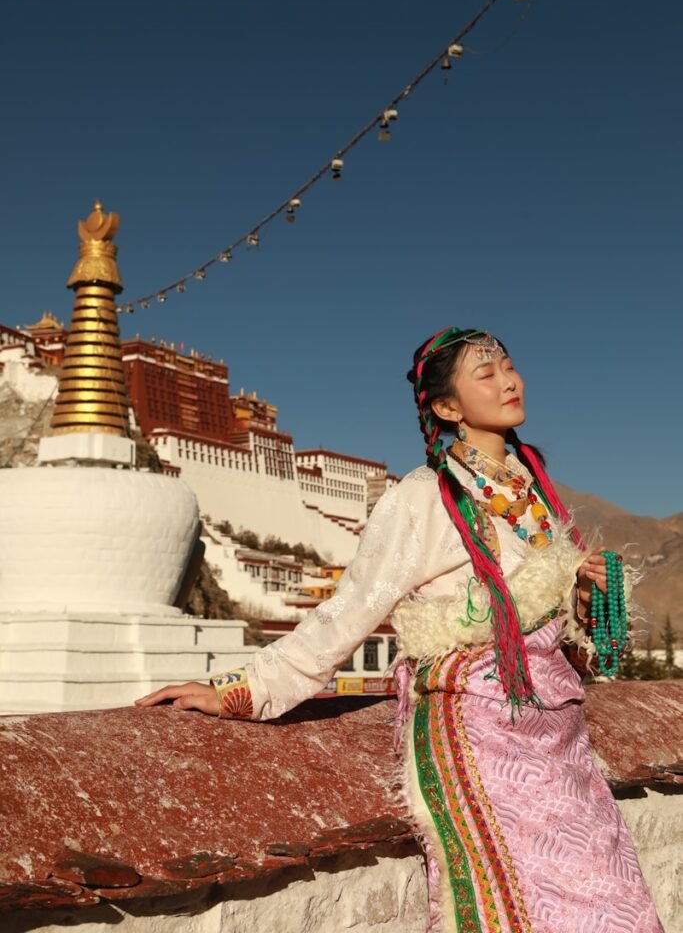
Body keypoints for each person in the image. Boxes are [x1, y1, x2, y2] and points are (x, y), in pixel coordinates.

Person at [136, 326, 663, 933]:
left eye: (509, 367)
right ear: (447, 407)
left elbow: (552, 624)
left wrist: (582, 588)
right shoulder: (423, 497)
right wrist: (247, 688)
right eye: (485, 375)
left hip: (558, 727)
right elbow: (355, 606)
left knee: (609, 899)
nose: (509, 381)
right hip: (481, 727)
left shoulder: (533, 490)